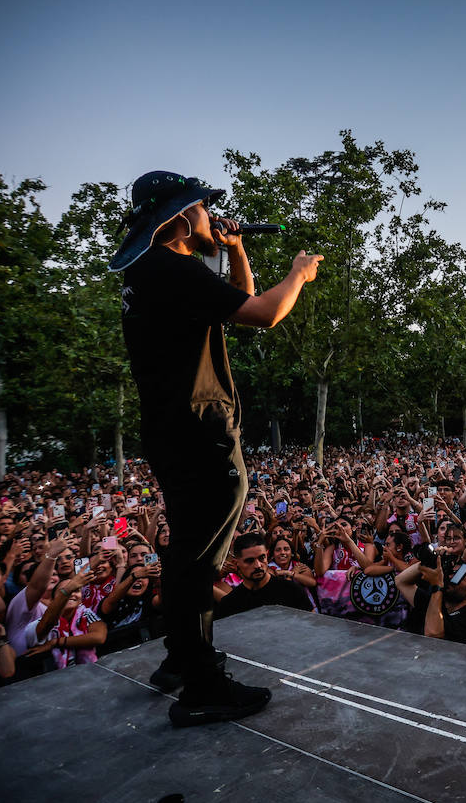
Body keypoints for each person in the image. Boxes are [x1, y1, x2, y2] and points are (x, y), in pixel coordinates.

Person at [111, 170, 322, 727]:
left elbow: (239, 300)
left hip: (172, 428)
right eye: (204, 208)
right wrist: (298, 274)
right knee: (198, 558)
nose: (212, 215)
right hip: (199, 427)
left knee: (187, 550)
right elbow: (266, 313)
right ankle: (202, 682)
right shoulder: (170, 269)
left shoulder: (148, 272)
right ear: (180, 218)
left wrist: (236, 248)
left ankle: (182, 659)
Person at [217, 533, 314, 618]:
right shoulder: (231, 603)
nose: (258, 565)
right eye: (250, 561)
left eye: (262, 558)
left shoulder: (291, 590)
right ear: (236, 563)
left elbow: (313, 625)